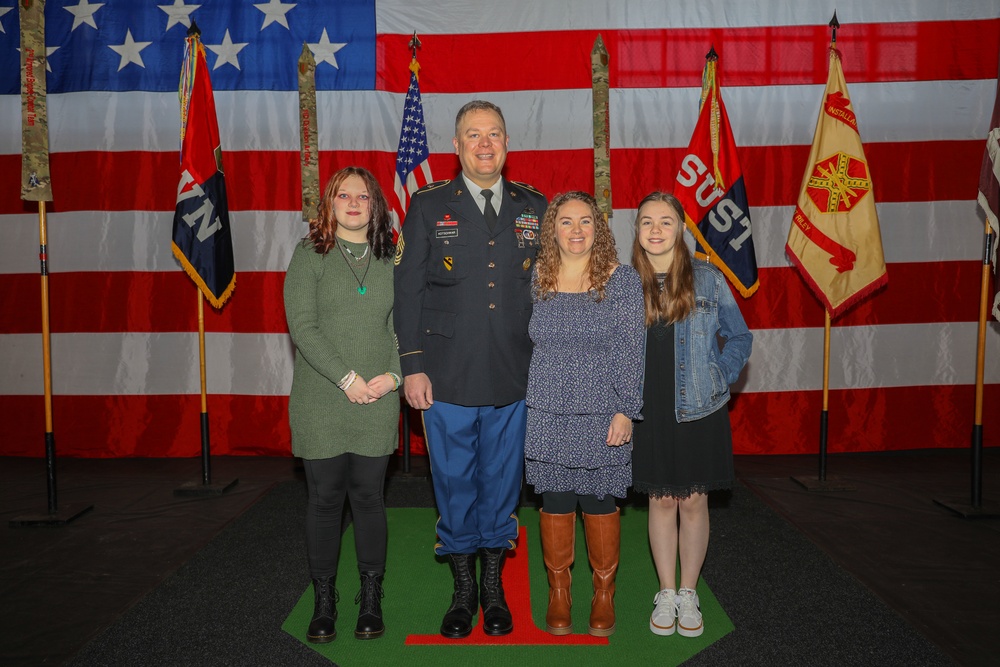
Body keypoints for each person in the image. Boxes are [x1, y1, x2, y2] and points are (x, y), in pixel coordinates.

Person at [393, 100, 548, 639]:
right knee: (455, 481)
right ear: (455, 146)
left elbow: (552, 289)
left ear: (507, 143)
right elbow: (407, 289)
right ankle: (462, 590)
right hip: (447, 373)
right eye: (473, 135)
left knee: (502, 483)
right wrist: (412, 366)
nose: (485, 144)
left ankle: (492, 588)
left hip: (514, 372)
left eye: (495, 134)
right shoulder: (429, 204)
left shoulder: (535, 204)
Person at [284, 166, 402, 643]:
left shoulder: (393, 257)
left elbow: (406, 324)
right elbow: (303, 327)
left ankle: (371, 596)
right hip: (322, 399)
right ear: (329, 205)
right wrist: (347, 378)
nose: (354, 204)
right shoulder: (309, 254)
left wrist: (394, 375)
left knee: (370, 498)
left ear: (375, 205)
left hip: (378, 397)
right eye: (343, 196)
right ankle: (324, 600)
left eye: (363, 197)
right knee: (326, 500)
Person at [629, 191, 752, 638]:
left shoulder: (709, 278)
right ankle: (665, 591)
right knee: (661, 500)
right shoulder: (624, 282)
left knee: (694, 501)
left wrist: (721, 375)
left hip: (700, 405)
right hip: (647, 410)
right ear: (637, 230)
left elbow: (740, 338)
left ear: (681, 227)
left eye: (665, 221)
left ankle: (688, 591)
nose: (656, 230)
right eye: (647, 222)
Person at [524, 191, 645, 637]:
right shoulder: (538, 276)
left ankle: (603, 592)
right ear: (552, 228)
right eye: (567, 222)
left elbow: (633, 350)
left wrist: (626, 410)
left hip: (601, 410)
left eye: (586, 222)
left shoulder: (622, 279)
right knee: (554, 501)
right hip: (548, 409)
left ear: (599, 228)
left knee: (598, 499)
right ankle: (559, 592)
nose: (577, 231)